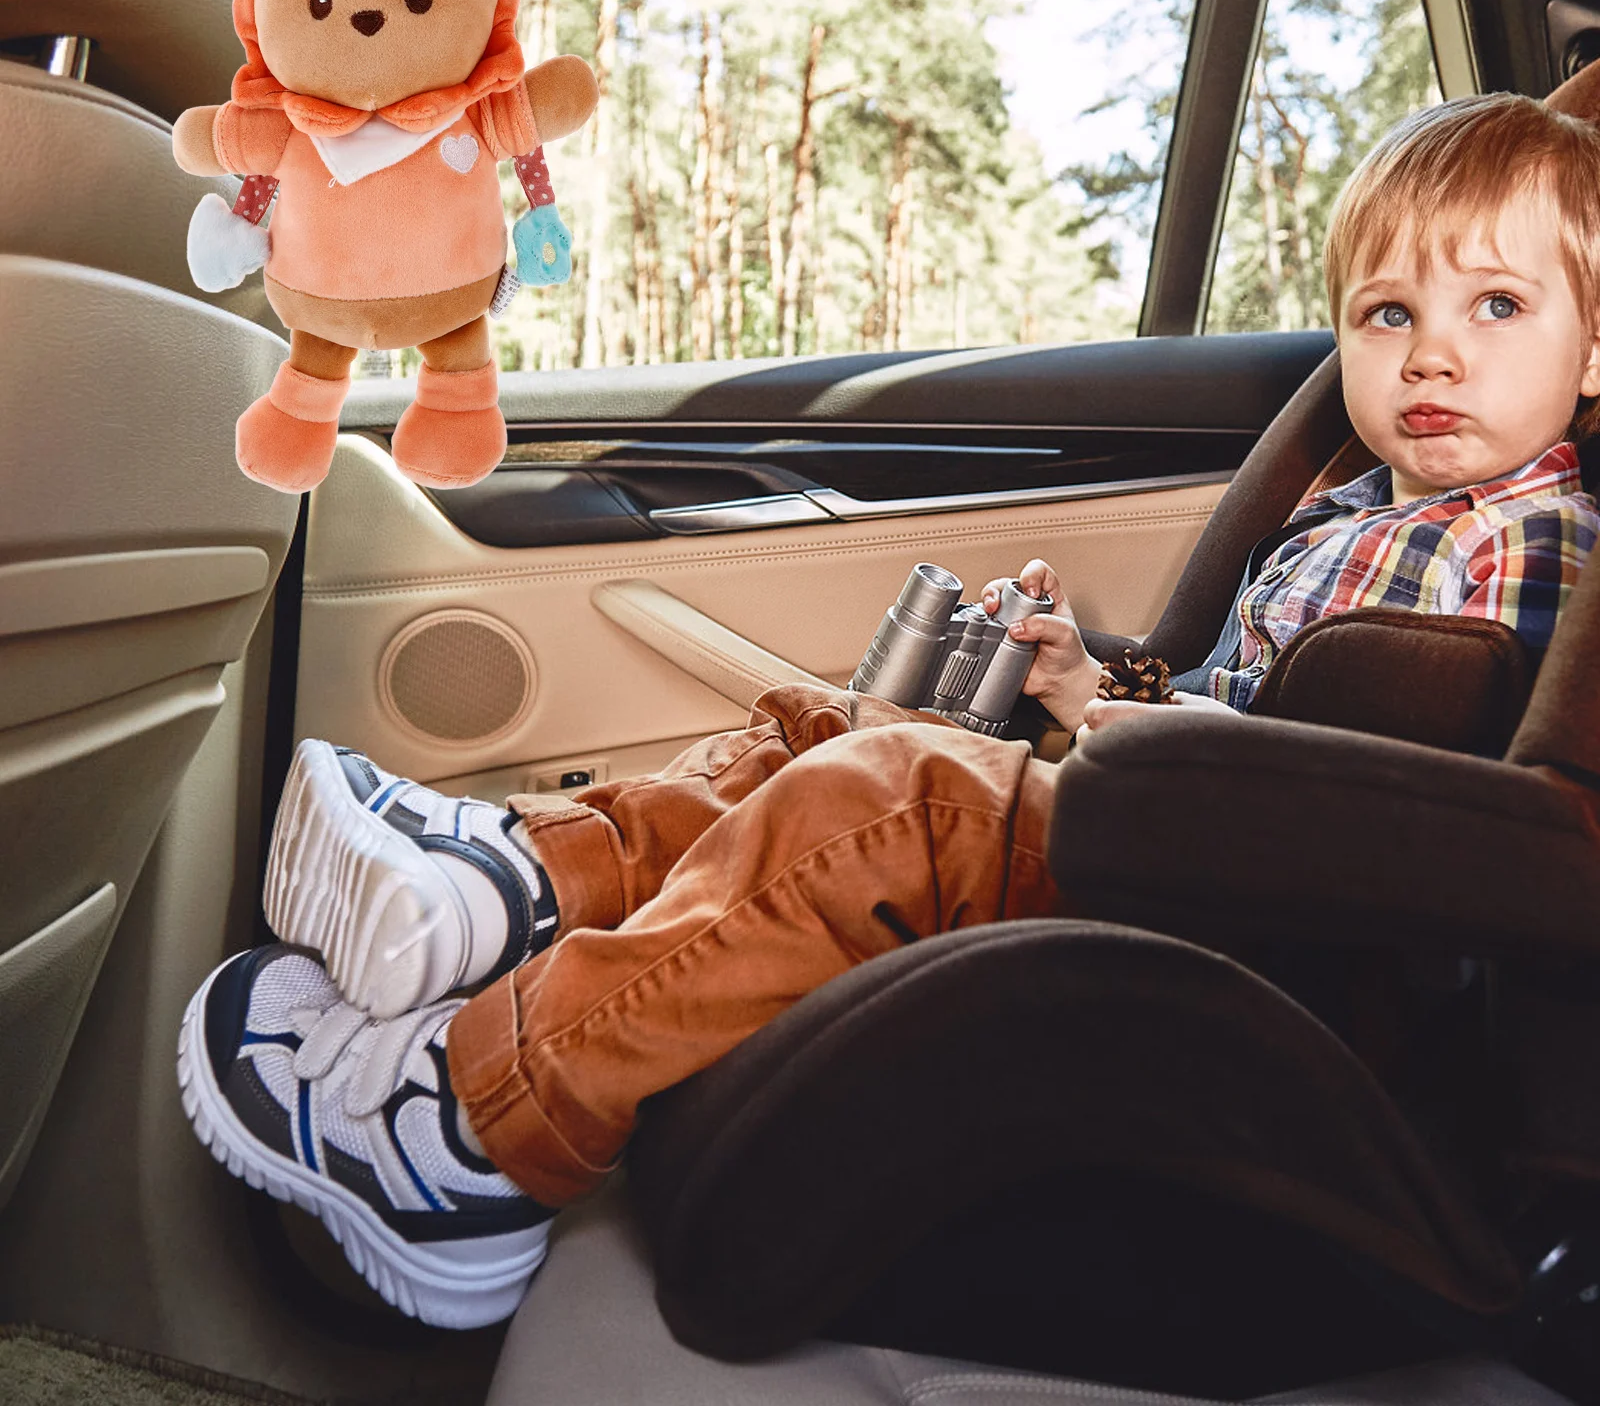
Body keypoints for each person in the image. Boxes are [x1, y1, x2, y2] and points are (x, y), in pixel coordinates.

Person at [177, 92, 1600, 1327]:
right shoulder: (1346, 512)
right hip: (1190, 819)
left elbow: (1401, 801)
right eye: (1387, 314)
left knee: (902, 799)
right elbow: (1239, 696)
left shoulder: (1536, 546)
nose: (1430, 355)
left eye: (1497, 307)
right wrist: (1086, 688)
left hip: (1285, 913)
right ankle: (516, 879)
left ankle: (472, 1139)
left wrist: (1144, 756)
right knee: (837, 727)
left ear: (1593, 355)